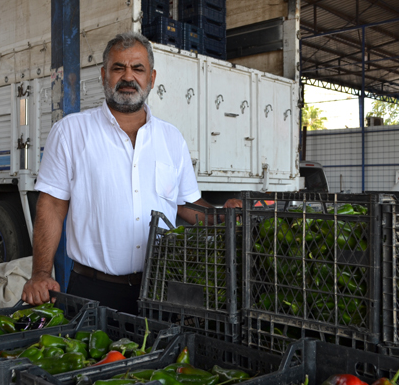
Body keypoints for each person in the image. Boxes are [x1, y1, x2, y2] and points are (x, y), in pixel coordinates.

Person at [21, 32, 241, 313]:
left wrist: (222, 216)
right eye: (118, 68)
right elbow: (51, 205)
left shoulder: (172, 139)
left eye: (137, 68)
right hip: (94, 292)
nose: (128, 77)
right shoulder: (71, 132)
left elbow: (185, 205)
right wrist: (41, 272)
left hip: (161, 289)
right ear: (103, 75)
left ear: (151, 78)